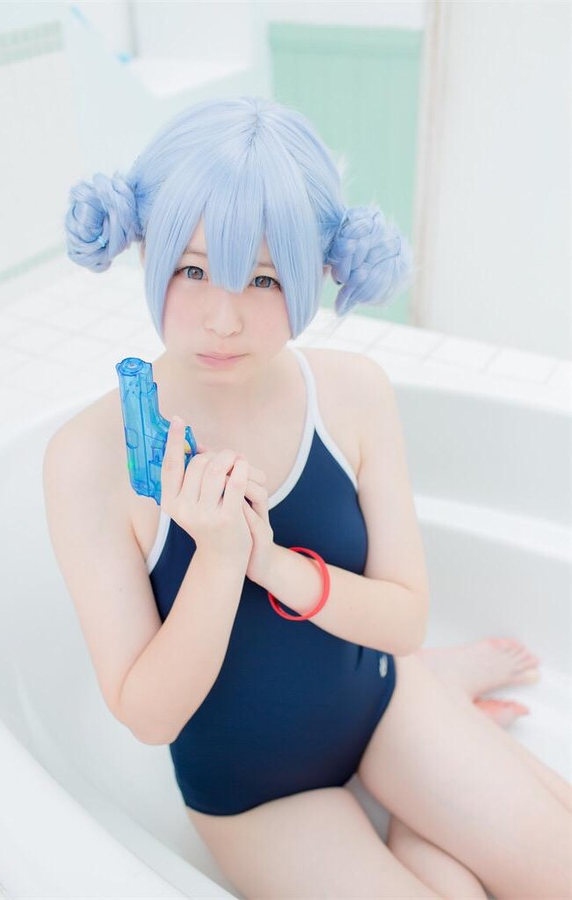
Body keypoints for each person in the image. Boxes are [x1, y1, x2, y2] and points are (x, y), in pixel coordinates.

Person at [45, 96, 571, 899]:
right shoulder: (89, 458)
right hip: (256, 793)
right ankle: (429, 774)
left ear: (319, 271)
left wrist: (272, 564)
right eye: (192, 269)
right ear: (146, 250)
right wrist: (220, 559)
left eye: (263, 278)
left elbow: (404, 618)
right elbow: (150, 717)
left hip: (381, 704)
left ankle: (433, 709)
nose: (223, 319)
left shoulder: (353, 394)